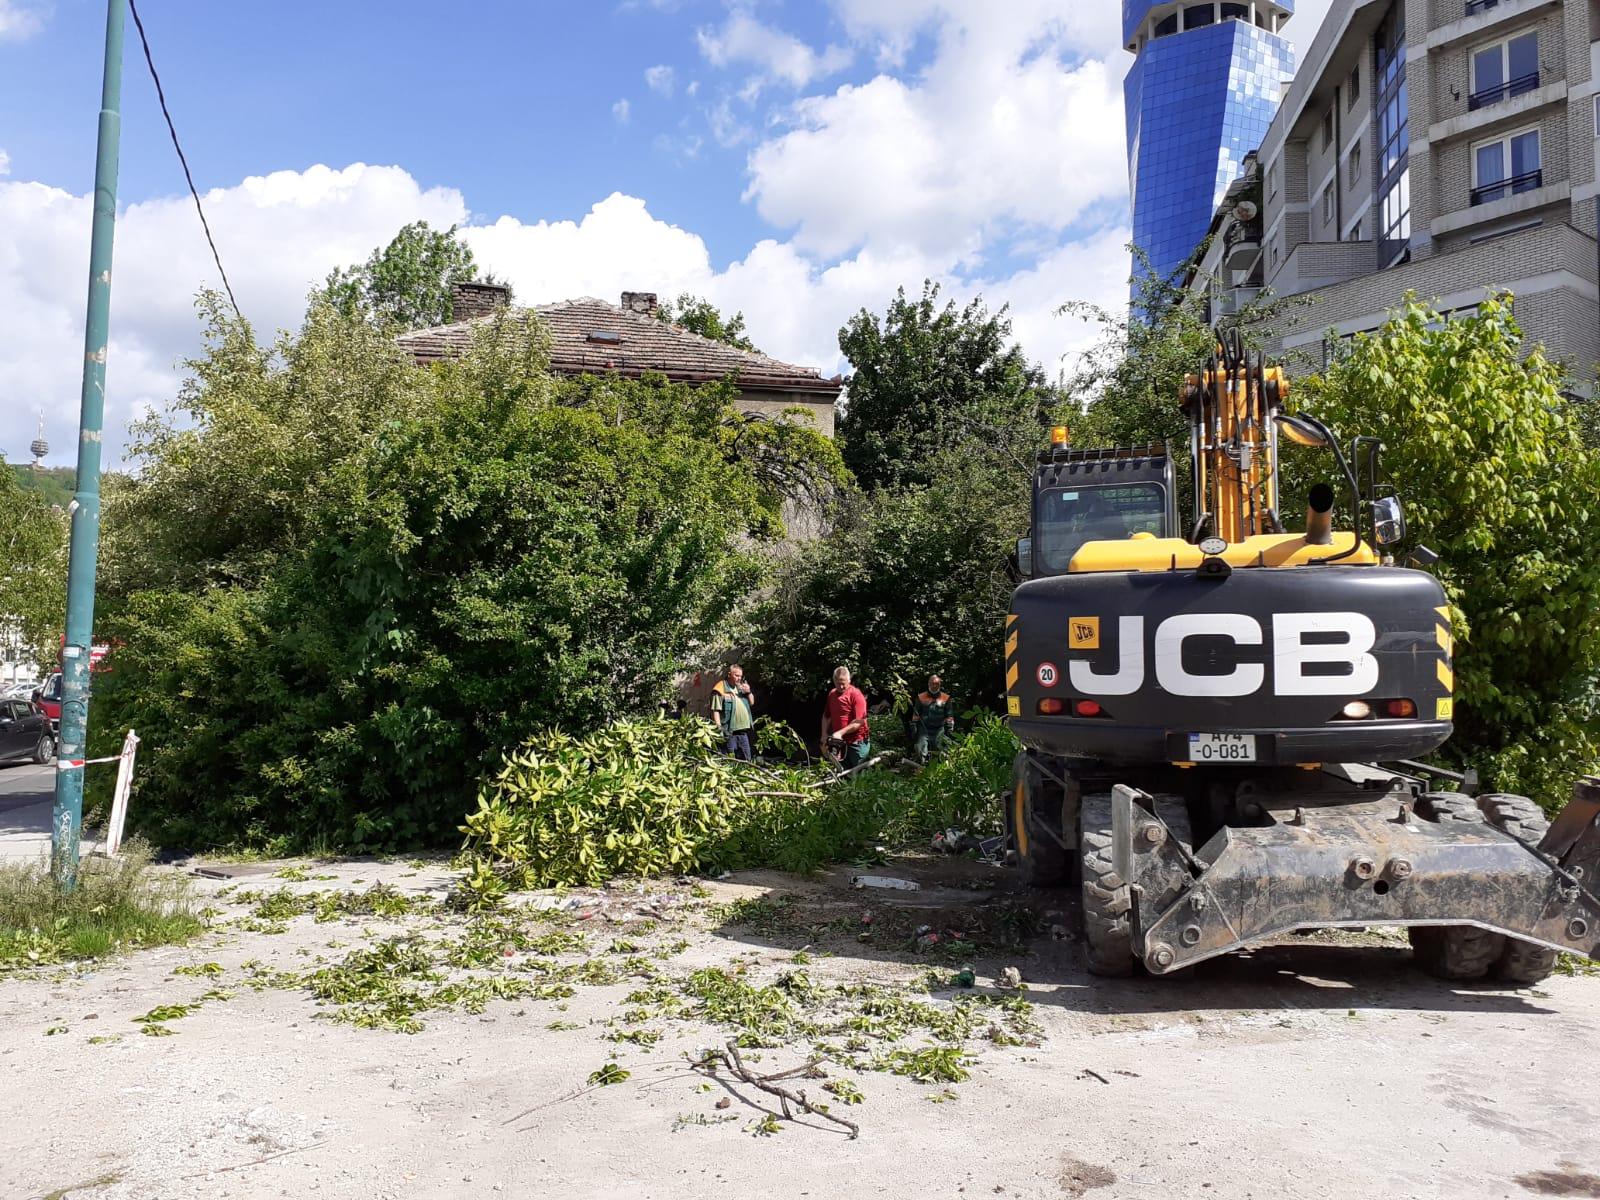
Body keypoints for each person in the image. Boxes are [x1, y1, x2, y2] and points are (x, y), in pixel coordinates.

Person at [821, 665, 871, 771]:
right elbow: (826, 716)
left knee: (859, 773)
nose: (841, 687)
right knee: (841, 772)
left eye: (843, 683)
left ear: (849, 680)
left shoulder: (856, 695)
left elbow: (859, 722)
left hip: (857, 742)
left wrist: (840, 733)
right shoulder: (832, 694)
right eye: (838, 683)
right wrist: (824, 734)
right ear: (834, 681)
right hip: (839, 743)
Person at [710, 665, 756, 761]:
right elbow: (715, 710)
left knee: (747, 759)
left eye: (740, 676)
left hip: (743, 731)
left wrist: (748, 692)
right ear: (729, 674)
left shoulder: (740, 687)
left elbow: (752, 702)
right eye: (736, 675)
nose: (739, 678)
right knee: (730, 759)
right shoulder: (720, 688)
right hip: (729, 732)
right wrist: (719, 729)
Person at [912, 674, 956, 761]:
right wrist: (914, 726)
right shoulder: (921, 697)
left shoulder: (946, 698)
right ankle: (922, 766)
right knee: (921, 748)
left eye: (937, 683)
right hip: (924, 728)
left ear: (940, 685)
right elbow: (916, 714)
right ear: (929, 684)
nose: (934, 685)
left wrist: (950, 727)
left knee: (939, 748)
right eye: (932, 683)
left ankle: (938, 768)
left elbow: (949, 715)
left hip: (939, 728)